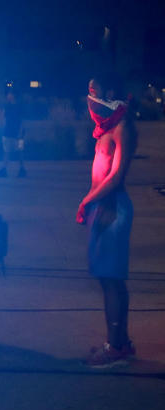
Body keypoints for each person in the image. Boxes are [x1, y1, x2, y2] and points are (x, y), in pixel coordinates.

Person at [76, 75, 138, 368]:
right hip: (100, 206)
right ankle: (119, 343)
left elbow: (116, 176)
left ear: (109, 92)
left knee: (111, 279)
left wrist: (88, 200)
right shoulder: (104, 129)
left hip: (112, 207)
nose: (90, 96)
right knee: (107, 278)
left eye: (94, 89)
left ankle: (116, 347)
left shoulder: (123, 127)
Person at [0, 90, 26, 177]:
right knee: (6, 151)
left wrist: (20, 132)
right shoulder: (7, 106)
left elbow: (22, 121)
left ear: (13, 95)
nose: (8, 96)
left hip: (18, 133)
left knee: (19, 151)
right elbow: (5, 119)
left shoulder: (19, 107)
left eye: (9, 94)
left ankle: (22, 169)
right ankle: (4, 169)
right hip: (8, 132)